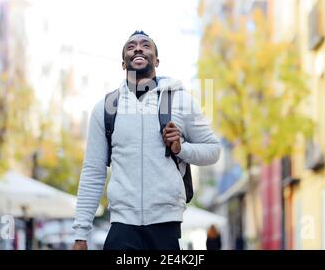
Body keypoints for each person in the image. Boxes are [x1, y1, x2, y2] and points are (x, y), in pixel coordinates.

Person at [72, 30, 221, 250]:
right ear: (124, 63)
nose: (138, 48)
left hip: (166, 225)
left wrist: (181, 148)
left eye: (145, 45)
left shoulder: (180, 100)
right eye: (131, 47)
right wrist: (80, 234)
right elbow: (93, 171)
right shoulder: (105, 109)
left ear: (157, 60)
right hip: (122, 226)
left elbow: (213, 150)